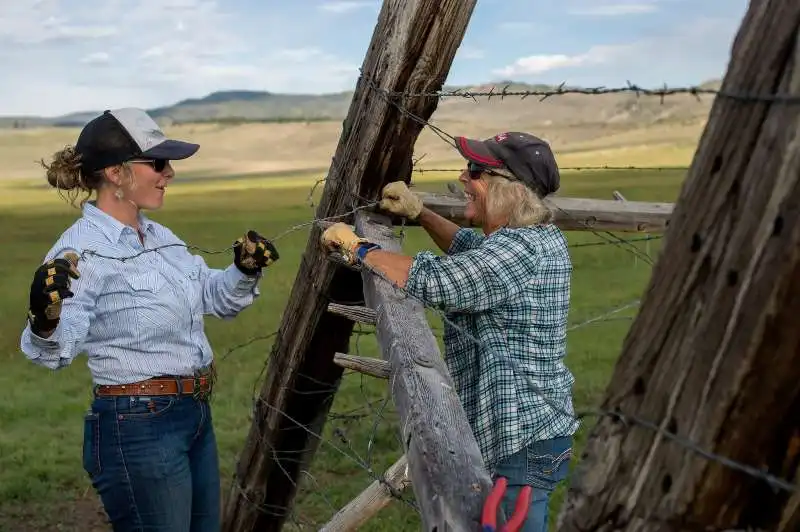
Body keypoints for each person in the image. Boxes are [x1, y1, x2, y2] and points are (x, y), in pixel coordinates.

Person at [19, 108, 279, 532]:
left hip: (194, 414)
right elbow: (52, 352)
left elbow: (213, 297)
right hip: (137, 426)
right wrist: (43, 321)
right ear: (116, 173)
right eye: (157, 163)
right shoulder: (79, 251)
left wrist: (244, 270)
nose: (169, 173)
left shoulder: (160, 236)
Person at [321, 132, 578, 531]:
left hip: (520, 440)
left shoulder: (520, 251)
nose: (463, 176)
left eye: (476, 171)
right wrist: (420, 213)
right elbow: (470, 248)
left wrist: (359, 249)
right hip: (532, 431)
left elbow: (441, 280)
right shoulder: (533, 239)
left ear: (507, 191)